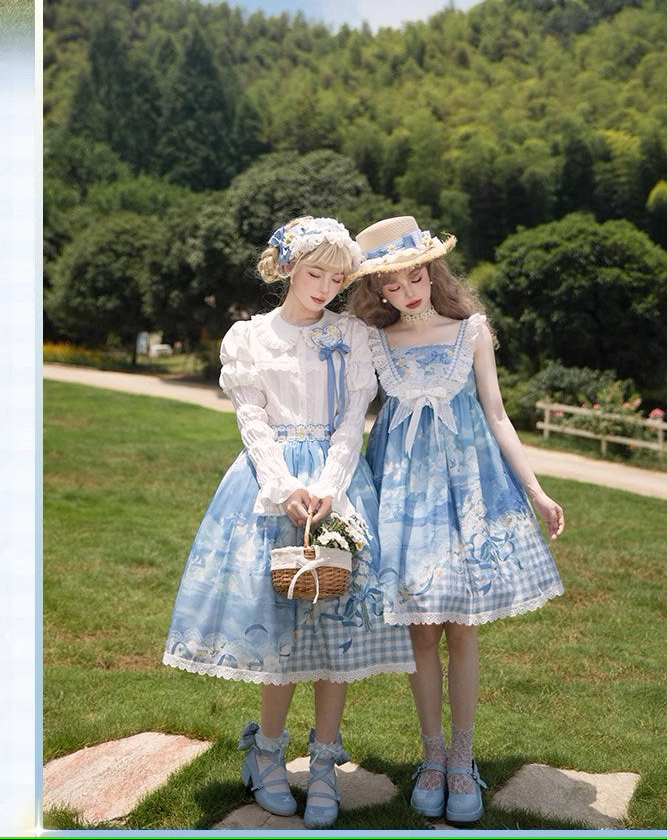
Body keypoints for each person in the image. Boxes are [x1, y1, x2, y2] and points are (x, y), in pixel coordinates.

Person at [163, 216, 415, 829]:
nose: (324, 287)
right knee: (280, 627)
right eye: (314, 273)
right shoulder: (248, 337)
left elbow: (353, 419)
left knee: (334, 629)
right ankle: (267, 754)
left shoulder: (353, 334)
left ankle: (324, 762)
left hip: (339, 486)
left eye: (336, 277)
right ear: (287, 269)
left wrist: (328, 486)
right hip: (269, 486)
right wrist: (285, 488)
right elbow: (251, 421)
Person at [348, 216, 565, 824]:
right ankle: (433, 757)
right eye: (393, 285)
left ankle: (464, 760)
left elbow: (497, 415)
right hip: (403, 499)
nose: (408, 292)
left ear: (431, 272)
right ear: (378, 290)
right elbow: (348, 416)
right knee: (421, 628)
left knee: (463, 626)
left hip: (468, 489)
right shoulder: (375, 342)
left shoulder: (472, 330)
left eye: (415, 278)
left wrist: (535, 490)